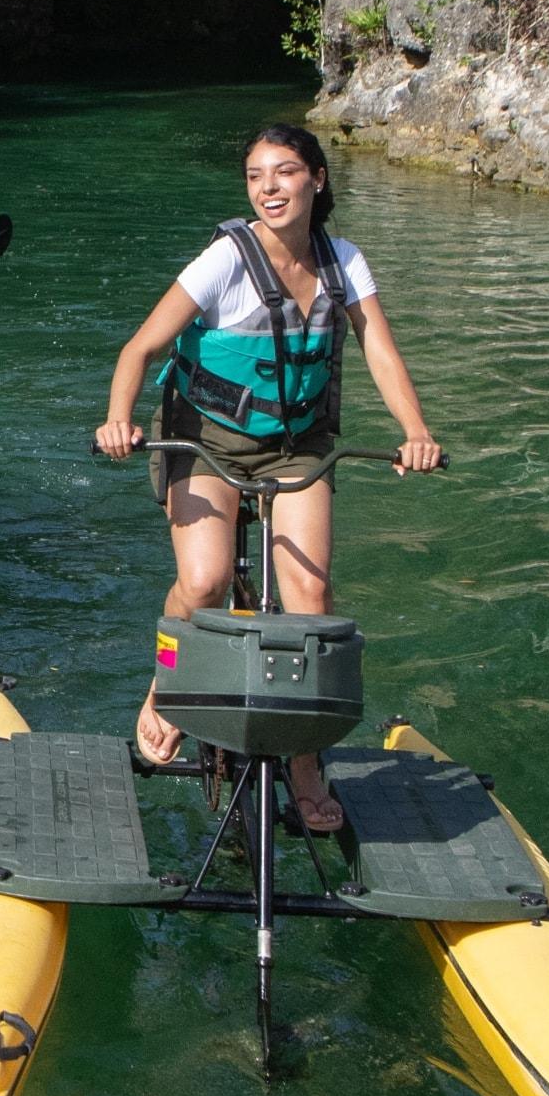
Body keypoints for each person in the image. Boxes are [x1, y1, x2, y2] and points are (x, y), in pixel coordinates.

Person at [94, 122, 442, 831]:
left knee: (309, 594)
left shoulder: (344, 261)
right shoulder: (225, 258)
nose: (269, 187)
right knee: (203, 583)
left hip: (297, 444)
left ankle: (306, 756)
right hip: (207, 437)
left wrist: (417, 431)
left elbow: (377, 345)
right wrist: (117, 418)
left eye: (283, 172)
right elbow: (142, 345)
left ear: (317, 177)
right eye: (255, 175)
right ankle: (168, 681)